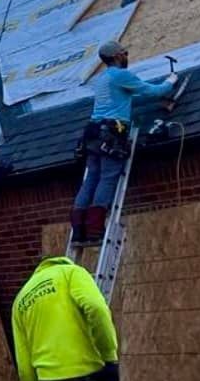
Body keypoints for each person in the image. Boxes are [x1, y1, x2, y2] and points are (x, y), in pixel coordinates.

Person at [72, 41, 176, 244]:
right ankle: (94, 229)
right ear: (117, 56)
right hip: (112, 133)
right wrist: (170, 82)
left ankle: (78, 230)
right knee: (108, 177)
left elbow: (124, 99)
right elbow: (151, 91)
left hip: (93, 133)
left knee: (92, 177)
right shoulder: (121, 75)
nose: (127, 55)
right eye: (125, 52)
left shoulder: (101, 79)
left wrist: (154, 100)